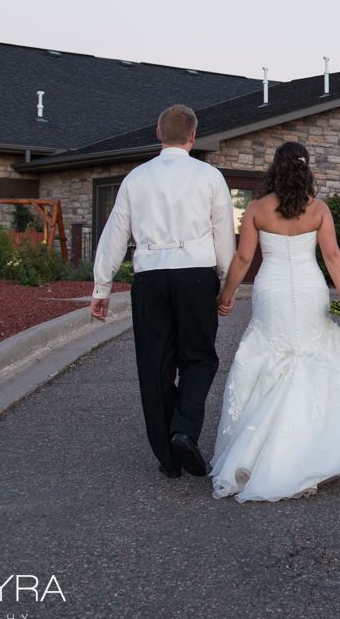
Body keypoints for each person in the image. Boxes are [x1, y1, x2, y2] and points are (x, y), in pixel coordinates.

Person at [210, 141, 340, 502]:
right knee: (312, 354)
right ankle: (311, 448)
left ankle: (260, 455)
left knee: (271, 355)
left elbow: (243, 260)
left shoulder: (257, 209)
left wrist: (225, 297)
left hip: (271, 289)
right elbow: (332, 256)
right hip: (308, 289)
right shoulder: (318, 209)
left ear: (275, 168)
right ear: (306, 170)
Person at [91, 104, 235, 480]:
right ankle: (184, 429)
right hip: (197, 277)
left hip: (151, 278)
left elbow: (115, 234)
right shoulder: (209, 176)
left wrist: (101, 287)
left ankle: (168, 458)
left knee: (154, 366)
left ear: (158, 134)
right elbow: (223, 234)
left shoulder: (136, 178)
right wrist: (226, 283)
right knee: (199, 358)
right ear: (192, 137)